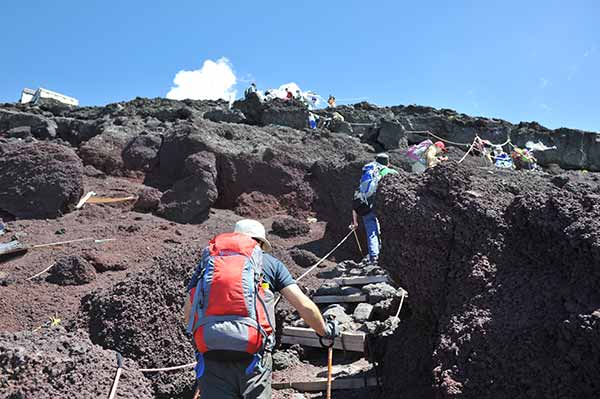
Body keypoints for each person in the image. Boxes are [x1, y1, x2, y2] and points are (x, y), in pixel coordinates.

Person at [184, 219, 339, 399]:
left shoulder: (209, 263)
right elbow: (303, 304)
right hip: (253, 355)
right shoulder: (270, 264)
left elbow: (189, 309)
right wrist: (324, 331)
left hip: (211, 352)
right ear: (260, 242)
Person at [351, 154, 398, 265]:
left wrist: (354, 221)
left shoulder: (368, 172)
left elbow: (356, 198)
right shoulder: (390, 172)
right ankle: (385, 255)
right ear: (387, 163)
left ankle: (374, 256)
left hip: (367, 206)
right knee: (384, 230)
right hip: (381, 206)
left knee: (371, 232)